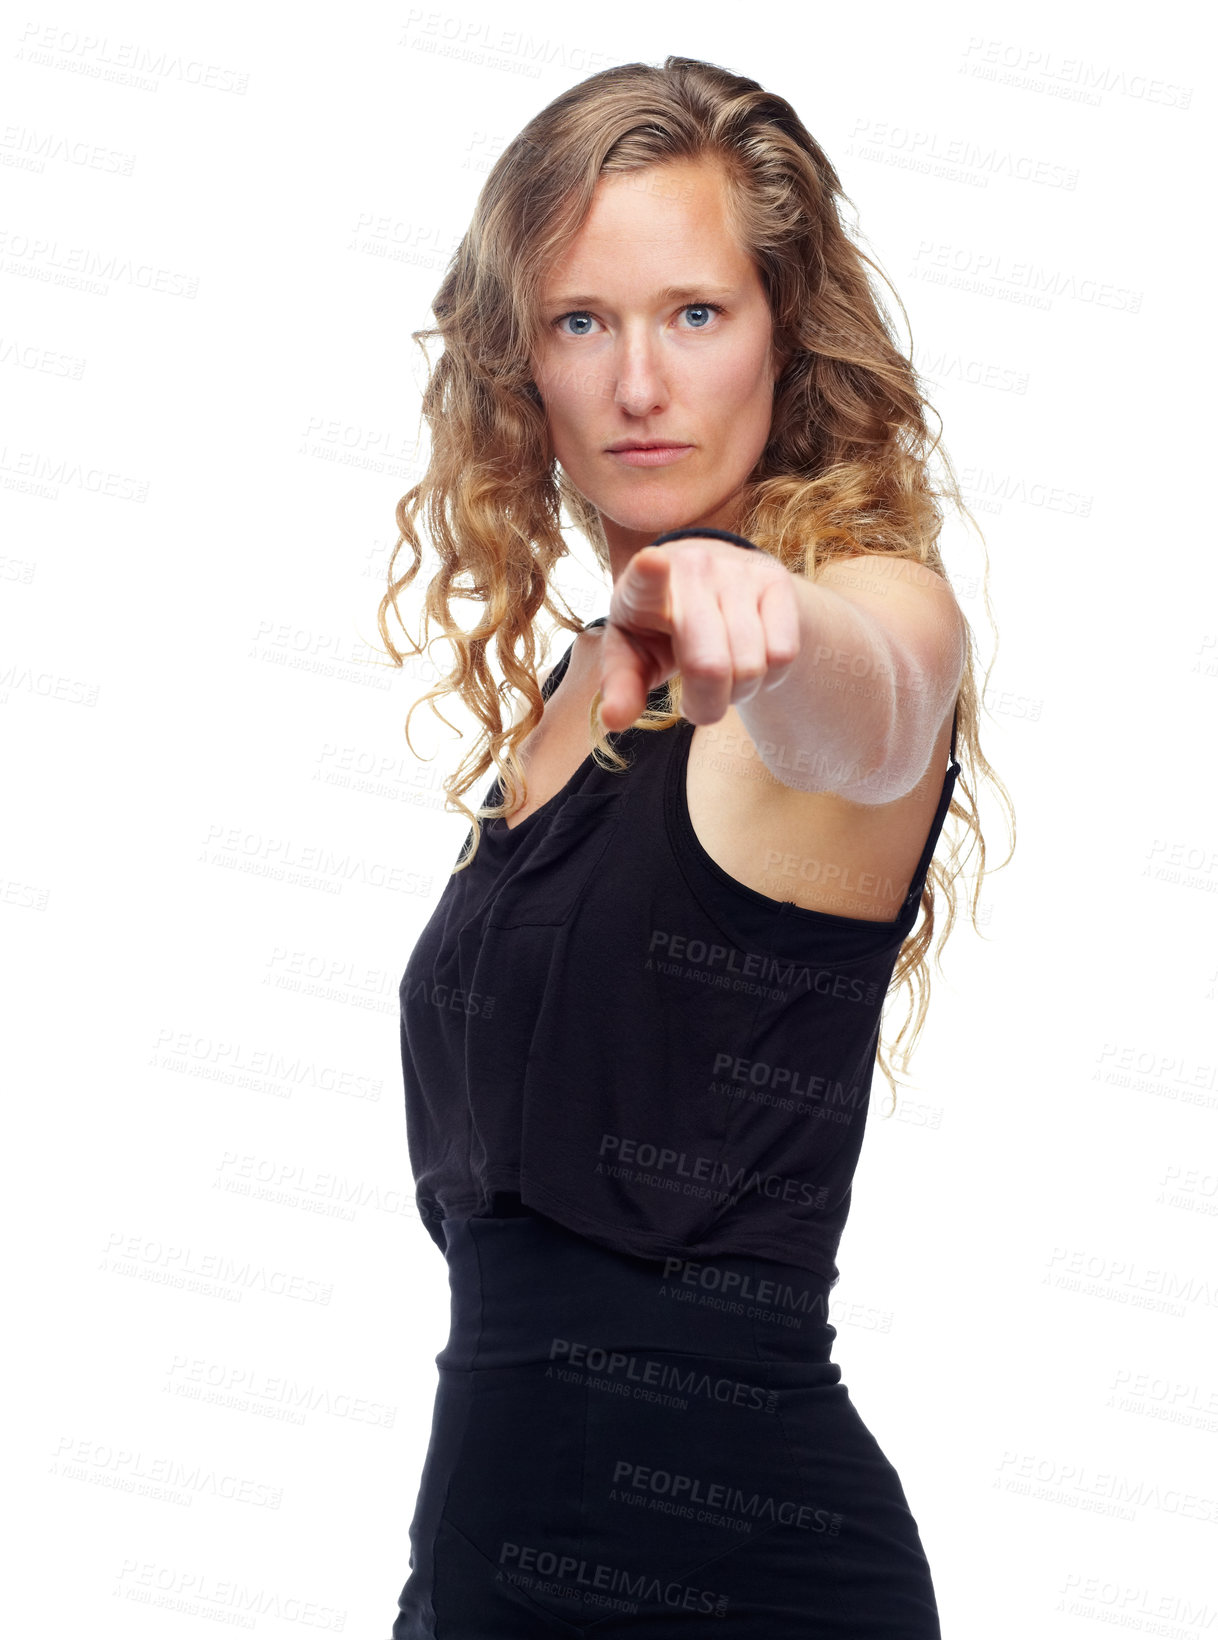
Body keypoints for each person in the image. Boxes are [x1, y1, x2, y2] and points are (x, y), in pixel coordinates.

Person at [378, 54, 1013, 1640]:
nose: (637, 384)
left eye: (695, 314)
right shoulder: (573, 689)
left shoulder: (855, 608)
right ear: (518, 359)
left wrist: (778, 619)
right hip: (485, 1570)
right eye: (581, 321)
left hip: (740, 1583)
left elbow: (872, 705)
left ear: (783, 337)